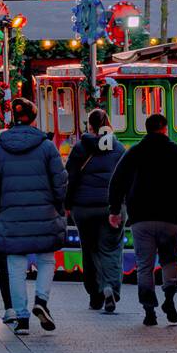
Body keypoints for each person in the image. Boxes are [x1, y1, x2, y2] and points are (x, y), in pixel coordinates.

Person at [0, 96, 67, 335]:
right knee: (46, 258)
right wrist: (58, 204)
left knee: (15, 264)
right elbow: (60, 181)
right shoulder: (47, 147)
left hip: (11, 216)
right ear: (34, 118)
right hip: (44, 213)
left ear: (13, 119)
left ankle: (21, 317)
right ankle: (41, 300)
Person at [108, 112, 177, 327]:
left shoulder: (135, 152)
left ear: (146, 129)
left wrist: (114, 209)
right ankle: (169, 298)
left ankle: (149, 310)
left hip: (141, 218)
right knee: (169, 259)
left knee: (144, 265)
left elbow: (117, 181)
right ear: (165, 129)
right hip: (170, 217)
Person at [65, 107, 126, 314]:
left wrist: (66, 205)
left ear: (89, 126)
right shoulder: (118, 149)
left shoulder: (80, 148)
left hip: (83, 208)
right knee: (111, 249)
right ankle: (110, 288)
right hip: (111, 207)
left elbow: (70, 178)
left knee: (89, 250)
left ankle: (95, 295)